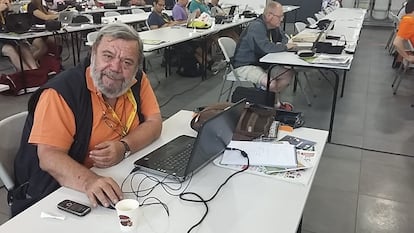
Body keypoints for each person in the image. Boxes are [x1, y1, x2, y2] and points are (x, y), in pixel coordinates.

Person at [11, 23, 162, 216]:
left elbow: (154, 123)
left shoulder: (137, 80)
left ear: (136, 67)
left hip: (118, 174)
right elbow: (49, 156)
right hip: (64, 189)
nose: (115, 68)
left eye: (127, 62)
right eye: (108, 56)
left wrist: (124, 147)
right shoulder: (62, 92)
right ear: (93, 55)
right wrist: (90, 181)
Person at [232, 1, 296, 110]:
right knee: (271, 84)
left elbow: (284, 38)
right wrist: (285, 47)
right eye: (280, 16)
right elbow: (265, 48)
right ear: (269, 16)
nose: (282, 19)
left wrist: (283, 44)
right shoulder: (256, 27)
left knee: (288, 74)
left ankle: (269, 101)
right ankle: (270, 103)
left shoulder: (273, 26)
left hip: (262, 63)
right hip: (245, 65)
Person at [0, 0, 38, 71]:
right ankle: (28, 73)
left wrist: (10, 11)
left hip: (5, 37)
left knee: (23, 45)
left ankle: (34, 70)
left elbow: (9, 26)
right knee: (9, 49)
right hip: (2, 41)